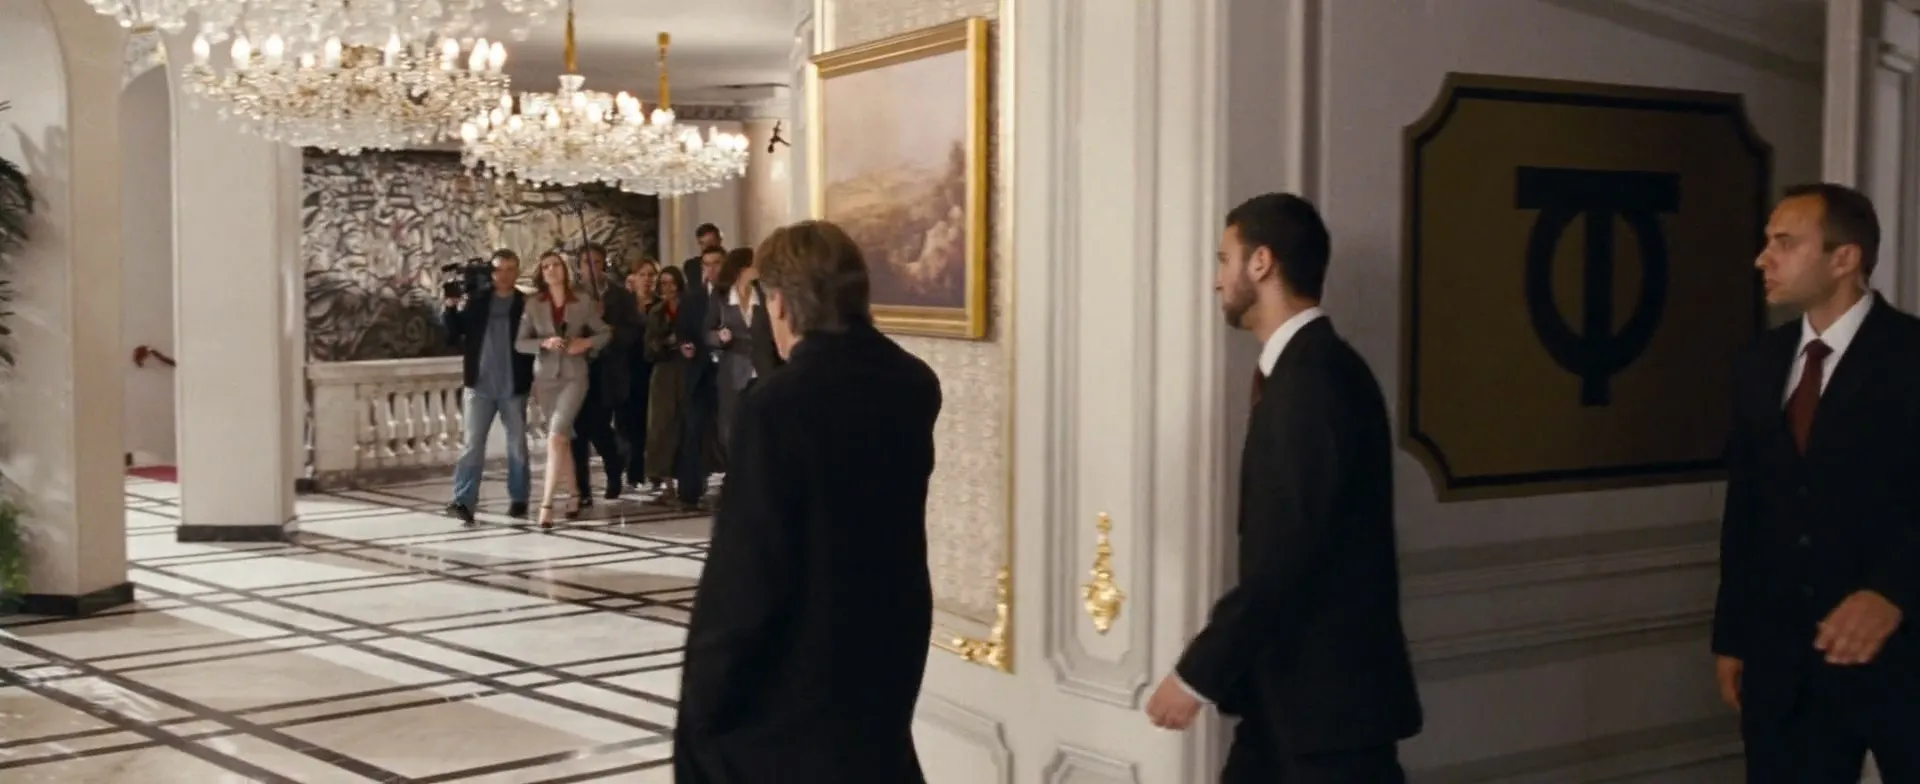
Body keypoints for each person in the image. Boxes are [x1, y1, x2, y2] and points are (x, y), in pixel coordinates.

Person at [1144, 193, 1421, 782]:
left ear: (1261, 263)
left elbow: (1285, 556)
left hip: (1329, 715)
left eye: (1225, 260)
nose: (1217, 279)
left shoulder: (1311, 383)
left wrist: (1195, 676)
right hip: (1292, 704)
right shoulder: (1310, 371)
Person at [674, 220, 942, 783]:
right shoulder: (913, 383)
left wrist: (702, 705)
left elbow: (745, 574)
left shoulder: (777, 405)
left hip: (795, 678)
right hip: (888, 651)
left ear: (779, 301)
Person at [1713, 182, 1920, 784]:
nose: (1763, 258)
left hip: (1907, 656)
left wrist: (1894, 592)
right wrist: (1734, 636)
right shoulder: (1758, 362)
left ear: (1844, 258)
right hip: (1784, 663)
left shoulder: (1913, 354)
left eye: (1784, 242)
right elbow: (1746, 506)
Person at [515, 251, 610, 528]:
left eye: (556, 265)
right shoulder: (534, 304)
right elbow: (519, 343)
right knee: (563, 437)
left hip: (574, 377)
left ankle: (546, 505)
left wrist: (585, 343)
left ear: (565, 269)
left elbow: (605, 332)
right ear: (541, 273)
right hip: (545, 379)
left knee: (556, 435)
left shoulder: (582, 301)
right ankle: (574, 493)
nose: (551, 270)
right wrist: (543, 343)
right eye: (546, 266)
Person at [441, 249, 533, 524]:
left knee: (517, 445)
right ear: (491, 273)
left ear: (517, 272)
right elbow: (454, 333)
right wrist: (449, 307)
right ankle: (463, 500)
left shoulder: (525, 304)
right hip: (479, 385)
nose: (503, 275)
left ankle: (519, 498)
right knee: (472, 444)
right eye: (498, 270)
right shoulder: (478, 301)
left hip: (513, 385)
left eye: (509, 269)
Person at [569, 243, 635, 506]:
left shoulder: (621, 296)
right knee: (577, 431)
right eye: (587, 263)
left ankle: (613, 465)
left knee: (598, 426)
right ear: (579, 268)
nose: (592, 268)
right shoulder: (572, 297)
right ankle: (582, 489)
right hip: (578, 370)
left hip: (607, 371)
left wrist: (606, 326)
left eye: (597, 262)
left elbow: (632, 332)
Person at [707, 247, 775, 453]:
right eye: (754, 264)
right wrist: (719, 337)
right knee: (732, 428)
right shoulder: (721, 296)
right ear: (742, 268)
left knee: (764, 426)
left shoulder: (764, 294)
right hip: (733, 372)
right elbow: (706, 332)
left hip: (764, 369)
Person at [674, 246, 726, 510]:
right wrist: (685, 345)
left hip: (728, 371)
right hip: (700, 371)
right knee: (694, 428)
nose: (712, 269)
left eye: (717, 263)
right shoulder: (693, 298)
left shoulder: (734, 295)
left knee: (729, 430)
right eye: (707, 264)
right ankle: (689, 490)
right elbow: (683, 330)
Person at [644, 266, 690, 499]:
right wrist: (666, 342)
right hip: (664, 370)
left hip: (688, 369)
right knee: (661, 425)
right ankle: (663, 478)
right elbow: (649, 346)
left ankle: (690, 477)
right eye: (663, 283)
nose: (668, 288)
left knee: (686, 423)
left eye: (672, 282)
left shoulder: (691, 308)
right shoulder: (656, 312)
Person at [620, 259, 661, 491]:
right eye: (642, 274)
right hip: (626, 370)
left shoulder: (660, 305)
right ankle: (632, 471)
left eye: (651, 275)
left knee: (650, 423)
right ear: (633, 278)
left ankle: (651, 471)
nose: (647, 279)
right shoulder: (624, 305)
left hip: (652, 370)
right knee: (628, 424)